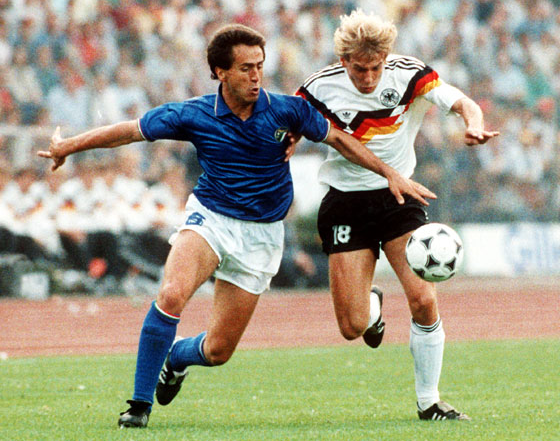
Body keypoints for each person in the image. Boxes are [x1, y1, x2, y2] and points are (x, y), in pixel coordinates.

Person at [38, 23, 434, 429]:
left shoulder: (287, 110)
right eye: (246, 68)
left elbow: (339, 140)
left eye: (260, 66)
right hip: (210, 219)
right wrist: (69, 146)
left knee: (218, 350)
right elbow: (129, 131)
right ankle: (139, 405)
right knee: (171, 294)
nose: (256, 75)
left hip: (262, 235)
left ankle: (176, 358)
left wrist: (389, 173)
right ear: (220, 72)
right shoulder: (193, 114)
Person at [295, 9, 499, 421]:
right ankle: (371, 304)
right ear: (343, 60)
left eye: (375, 67)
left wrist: (474, 124)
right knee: (352, 327)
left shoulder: (410, 75)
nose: (368, 77)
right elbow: (290, 128)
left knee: (423, 298)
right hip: (345, 203)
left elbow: (462, 102)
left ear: (386, 58)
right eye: (359, 69)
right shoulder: (318, 88)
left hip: (400, 196)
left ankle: (429, 402)